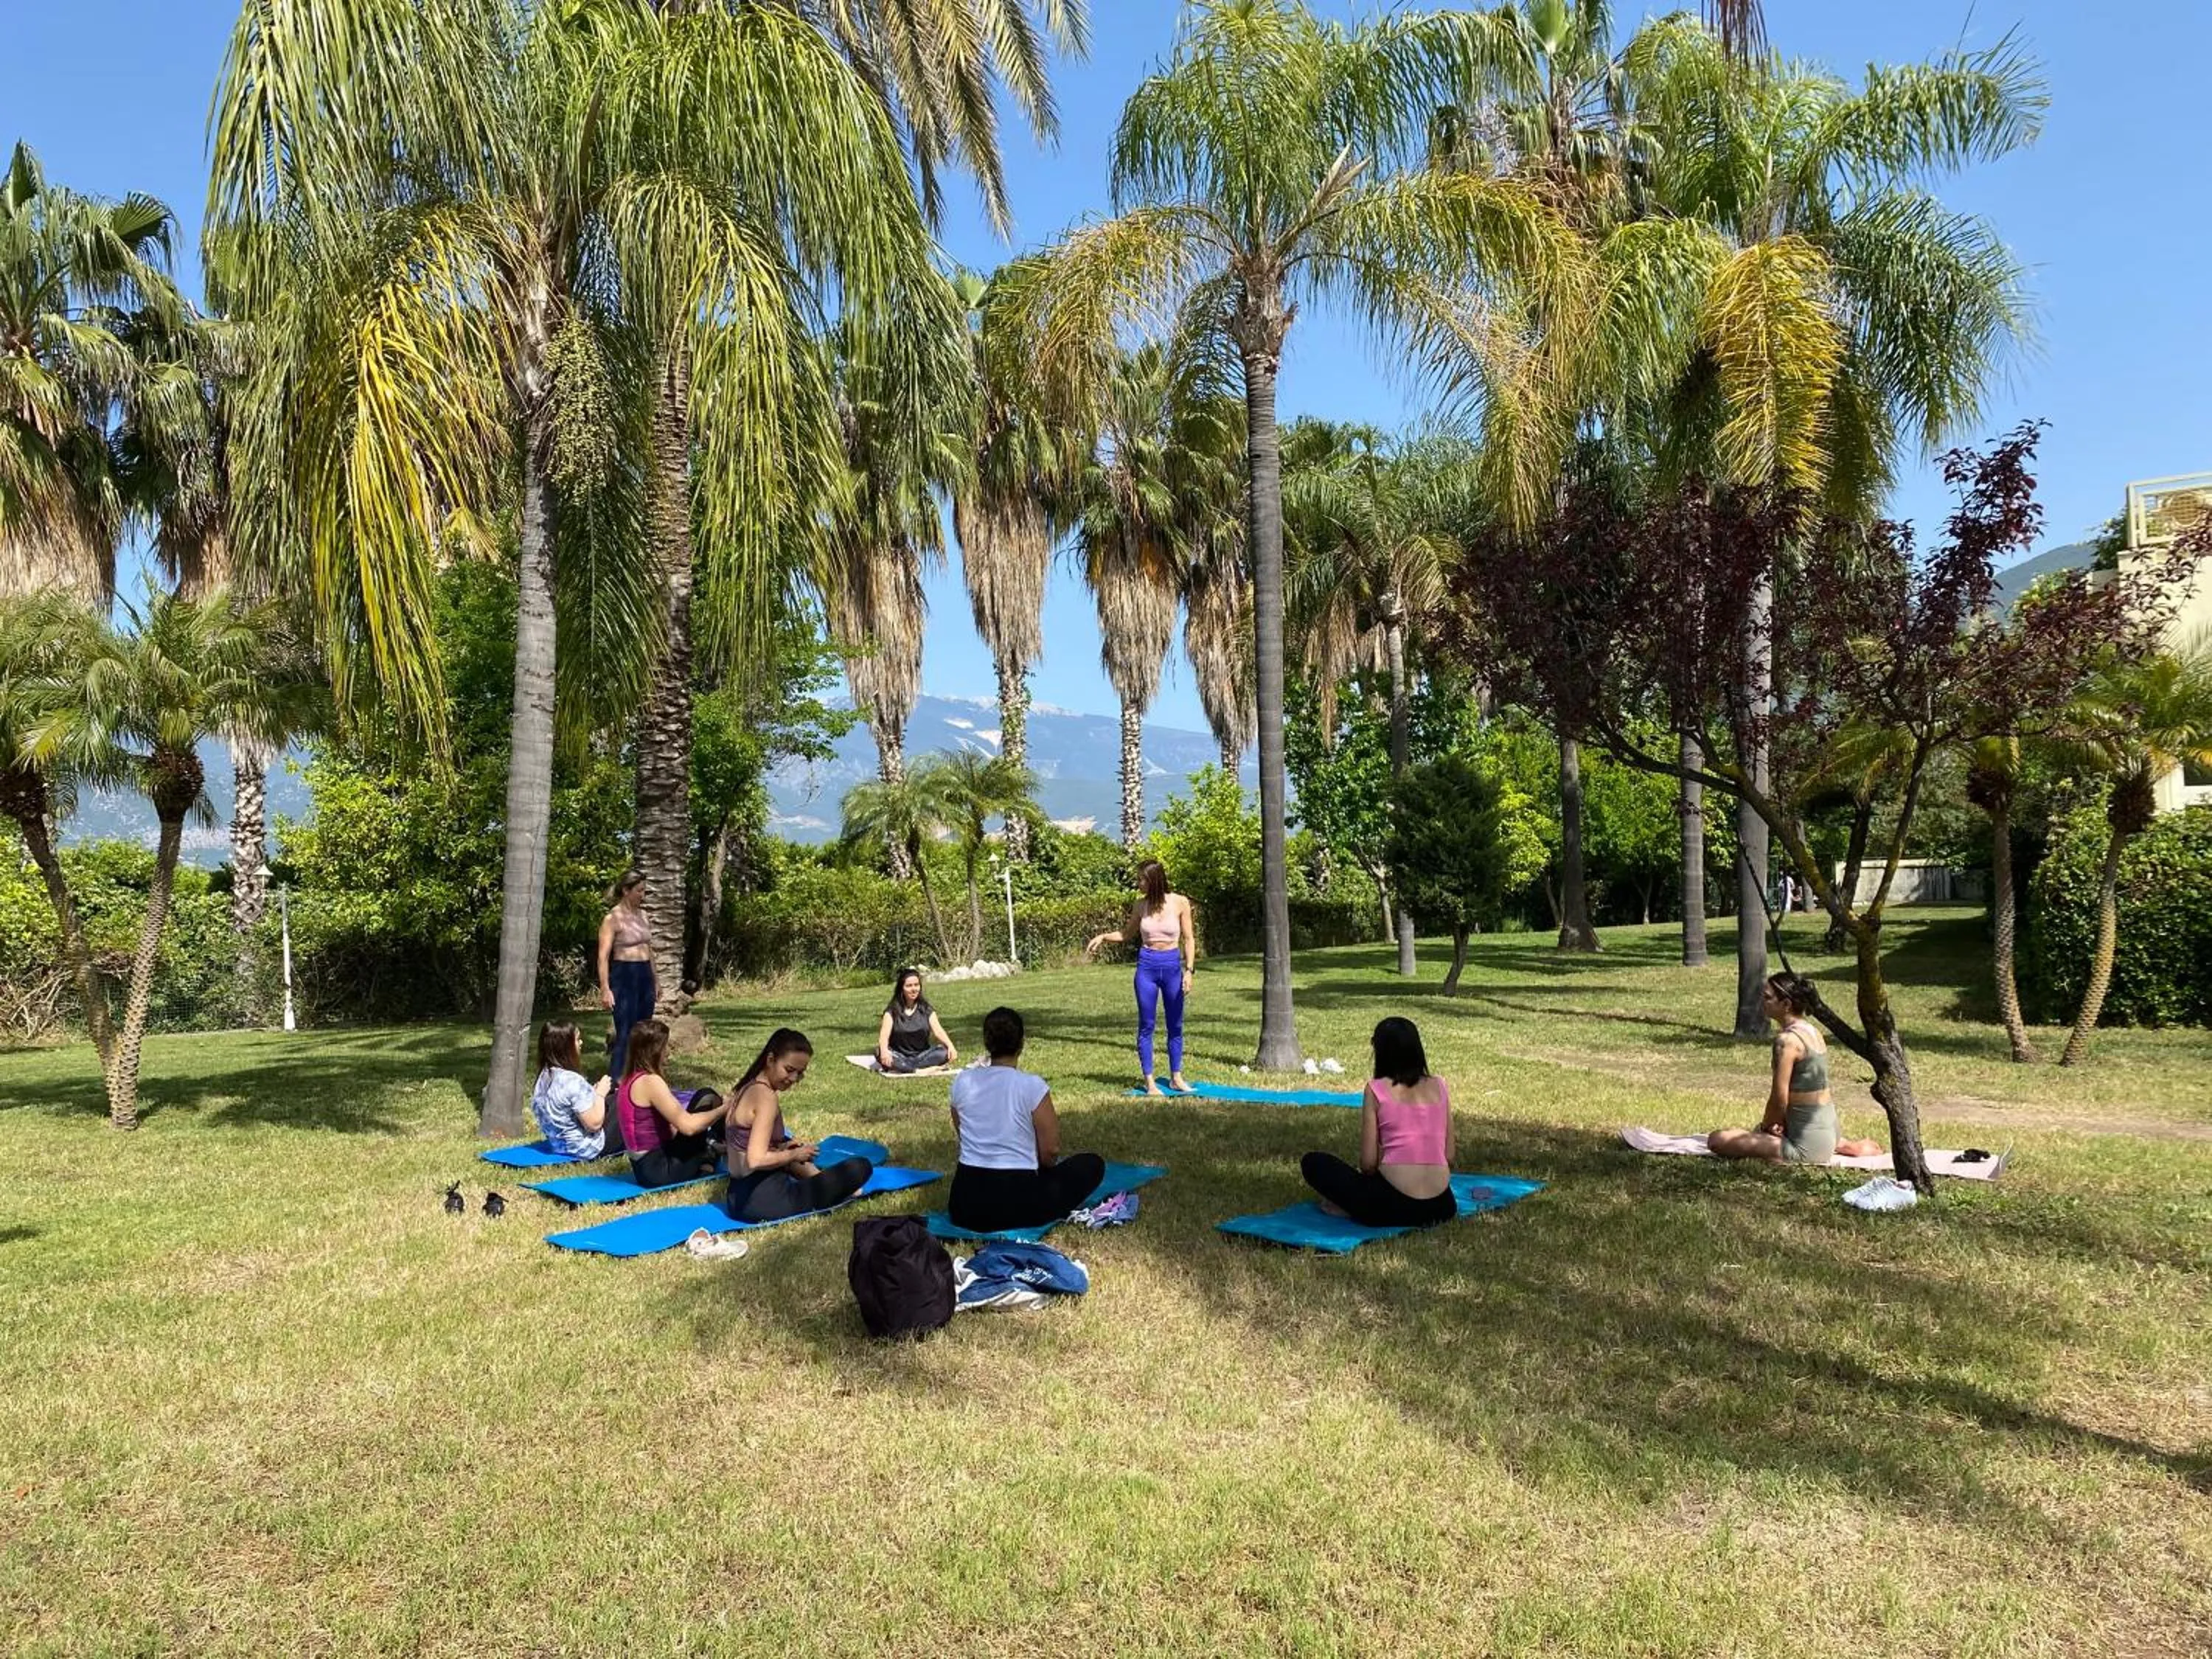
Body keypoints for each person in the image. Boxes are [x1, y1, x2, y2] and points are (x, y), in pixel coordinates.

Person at [946, 1006, 1106, 1234]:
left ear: (986, 1043)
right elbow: (1050, 1153)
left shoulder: (963, 1081)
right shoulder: (1032, 1086)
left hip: (964, 1204)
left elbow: (963, 1133)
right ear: (1021, 1043)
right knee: (1092, 1164)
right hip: (1018, 1205)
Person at [1301, 1017, 1459, 1230]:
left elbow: (1368, 1164)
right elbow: (1448, 1156)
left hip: (1390, 1207)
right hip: (1442, 1206)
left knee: (1314, 1162)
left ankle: (1352, 1209)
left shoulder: (1376, 1089)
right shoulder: (1440, 1085)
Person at [1708, 973, 1883, 1164]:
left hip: (1805, 1147)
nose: (1762, 1001)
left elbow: (1779, 1099)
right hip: (1828, 1129)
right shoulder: (1812, 1031)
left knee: (1717, 1140)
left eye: (1767, 997)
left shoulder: (1787, 1042)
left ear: (1786, 1004)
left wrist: (1767, 1127)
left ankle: (1823, 1147)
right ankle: (1846, 1146)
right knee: (1758, 1132)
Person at [721, 1029, 873, 1222]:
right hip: (765, 1202)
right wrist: (794, 1155)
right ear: (770, 1060)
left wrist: (784, 1148)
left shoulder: (746, 1088)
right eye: (789, 1070)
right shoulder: (765, 1097)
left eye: (800, 1073)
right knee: (860, 1167)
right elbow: (755, 1160)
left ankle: (818, 1176)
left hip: (736, 1198)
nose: (793, 1079)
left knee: (793, 1148)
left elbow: (745, 1147)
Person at [1085, 858, 1196, 1095]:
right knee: (1147, 1025)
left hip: (1172, 967)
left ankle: (1177, 1078)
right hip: (1147, 967)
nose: (1138, 884)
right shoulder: (1140, 906)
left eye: (1141, 880)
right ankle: (1151, 1083)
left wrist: (1189, 970)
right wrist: (1103, 936)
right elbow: (1126, 934)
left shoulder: (1179, 902)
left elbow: (1189, 939)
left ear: (1154, 880)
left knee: (1175, 1025)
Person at [616, 1018, 728, 1189]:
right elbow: (688, 1127)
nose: (667, 1052)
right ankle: (725, 1152)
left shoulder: (629, 1079)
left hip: (647, 1166)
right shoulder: (650, 1082)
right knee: (707, 1098)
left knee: (704, 1097)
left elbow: (670, 1128)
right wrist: (724, 1109)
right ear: (654, 1051)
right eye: (665, 1047)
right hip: (659, 1171)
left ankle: (712, 1151)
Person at [530, 1019, 620, 1159]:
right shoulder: (571, 1081)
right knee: (627, 1099)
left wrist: (594, 1092)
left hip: (560, 1146)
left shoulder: (543, 1077)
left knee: (615, 1098)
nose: (581, 1043)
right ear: (565, 1047)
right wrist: (601, 1094)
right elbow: (594, 1124)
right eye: (577, 1040)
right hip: (588, 1148)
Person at [598, 871, 655, 1078]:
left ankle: (639, 1080)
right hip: (624, 976)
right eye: (639, 891)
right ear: (626, 890)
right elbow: (603, 957)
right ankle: (614, 1083)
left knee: (644, 1033)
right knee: (625, 1033)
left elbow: (649, 950)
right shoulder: (612, 919)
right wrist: (605, 988)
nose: (643, 895)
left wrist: (654, 981)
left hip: (644, 975)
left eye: (644, 891)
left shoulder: (643, 915)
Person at [875, 969, 958, 1073]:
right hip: (899, 1055)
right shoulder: (892, 1011)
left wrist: (951, 1046)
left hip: (922, 1056)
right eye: (909, 986)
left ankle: (907, 1069)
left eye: (916, 985)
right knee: (879, 1052)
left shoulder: (926, 1009)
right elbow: (884, 1036)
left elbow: (938, 1031)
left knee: (944, 1052)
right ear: (901, 988)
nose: (914, 989)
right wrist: (884, 1051)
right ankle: (919, 1070)